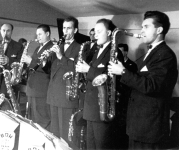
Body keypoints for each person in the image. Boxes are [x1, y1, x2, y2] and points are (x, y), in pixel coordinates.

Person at [108, 11, 178, 149]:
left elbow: (152, 86)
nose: (141, 31)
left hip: (150, 129)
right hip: (138, 126)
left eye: (146, 26)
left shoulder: (165, 55)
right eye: (142, 27)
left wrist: (122, 71)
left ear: (159, 30)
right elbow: (137, 81)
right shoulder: (148, 54)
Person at [76, 18, 124, 150]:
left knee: (102, 146)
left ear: (109, 33)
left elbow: (108, 78)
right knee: (91, 146)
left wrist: (88, 70)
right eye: (95, 31)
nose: (95, 35)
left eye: (99, 31)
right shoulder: (97, 51)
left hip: (102, 109)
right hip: (92, 108)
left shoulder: (114, 52)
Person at [46, 16, 81, 145]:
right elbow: (50, 70)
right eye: (64, 28)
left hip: (67, 97)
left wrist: (60, 56)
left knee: (67, 136)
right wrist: (45, 60)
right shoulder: (58, 45)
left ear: (75, 30)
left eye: (69, 28)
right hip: (54, 95)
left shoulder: (80, 48)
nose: (65, 31)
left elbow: (77, 69)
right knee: (54, 134)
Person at [21, 24, 55, 130]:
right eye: (37, 34)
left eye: (40, 34)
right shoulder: (38, 48)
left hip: (41, 90)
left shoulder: (51, 48)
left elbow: (48, 68)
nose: (37, 37)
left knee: (42, 120)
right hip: (33, 89)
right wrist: (24, 69)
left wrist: (30, 61)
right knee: (33, 120)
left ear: (47, 34)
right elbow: (34, 66)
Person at [0, 23, 23, 110]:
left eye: (8, 31)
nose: (5, 33)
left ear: (11, 32)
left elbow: (20, 64)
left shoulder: (18, 46)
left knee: (6, 113)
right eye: (3, 30)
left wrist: (9, 60)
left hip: (8, 85)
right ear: (0, 31)